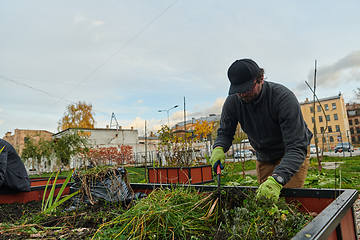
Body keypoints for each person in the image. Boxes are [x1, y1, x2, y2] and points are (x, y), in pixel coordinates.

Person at [210, 58, 313, 201]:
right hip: (264, 156)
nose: (242, 94)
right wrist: (219, 148)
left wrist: (278, 178)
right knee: (264, 201)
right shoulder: (233, 101)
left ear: (261, 79)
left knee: (289, 203)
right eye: (238, 91)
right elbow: (225, 132)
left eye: (247, 89)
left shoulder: (283, 98)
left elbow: (297, 146)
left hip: (289, 153)